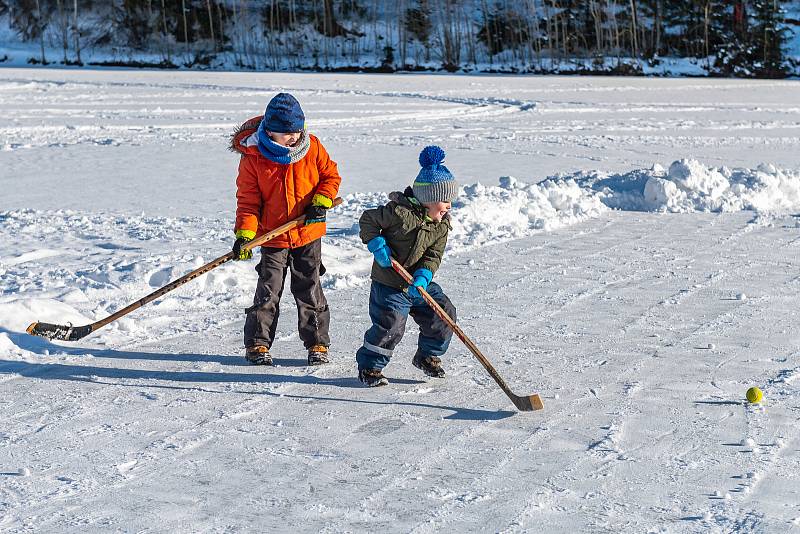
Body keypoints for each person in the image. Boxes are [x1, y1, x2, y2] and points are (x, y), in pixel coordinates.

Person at [230, 93, 341, 366]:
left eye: (297, 131)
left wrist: (321, 201)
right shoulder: (254, 157)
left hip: (308, 233)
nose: (293, 138)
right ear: (269, 131)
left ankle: (317, 343)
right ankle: (258, 343)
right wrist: (245, 235)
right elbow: (248, 201)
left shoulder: (312, 147)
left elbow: (331, 176)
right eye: (286, 133)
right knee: (268, 289)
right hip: (272, 236)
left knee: (309, 287)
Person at [356, 145, 458, 387]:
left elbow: (434, 254)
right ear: (428, 199)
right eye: (445, 200)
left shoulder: (442, 225)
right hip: (390, 284)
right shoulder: (399, 213)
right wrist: (376, 243)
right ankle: (370, 367)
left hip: (419, 284)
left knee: (444, 314)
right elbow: (368, 219)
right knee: (391, 325)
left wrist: (424, 275)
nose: (449, 206)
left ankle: (427, 355)